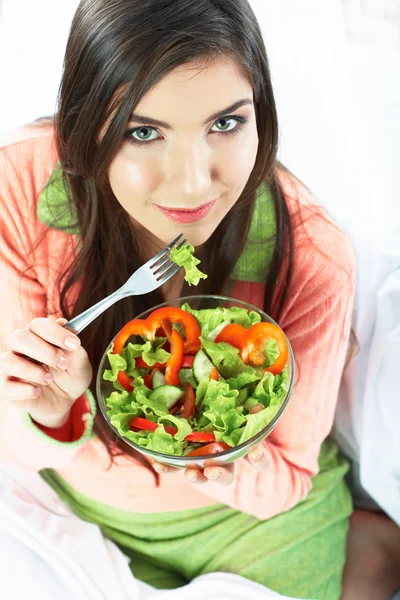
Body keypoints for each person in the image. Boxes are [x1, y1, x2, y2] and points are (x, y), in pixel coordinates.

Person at [0, 1, 359, 598]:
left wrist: (211, 461)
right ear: (86, 125)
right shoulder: (19, 189)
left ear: (261, 116)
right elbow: (12, 442)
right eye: (143, 132)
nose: (193, 182)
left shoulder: (314, 254)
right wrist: (50, 408)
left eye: (225, 124)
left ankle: (363, 550)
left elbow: (289, 479)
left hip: (255, 525)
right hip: (83, 504)